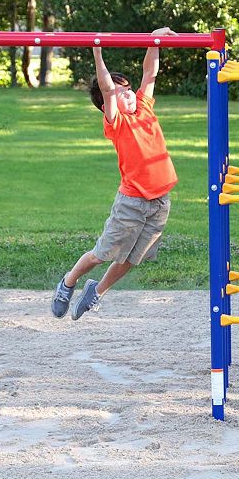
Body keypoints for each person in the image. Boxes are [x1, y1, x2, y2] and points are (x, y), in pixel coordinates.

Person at [51, 27, 179, 320]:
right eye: (121, 93)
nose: (129, 95)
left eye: (128, 89)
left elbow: (150, 74)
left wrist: (153, 40)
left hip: (161, 202)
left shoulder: (144, 108)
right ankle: (68, 282)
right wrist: (97, 50)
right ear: (107, 105)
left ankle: (96, 292)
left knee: (135, 258)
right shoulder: (116, 123)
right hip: (132, 202)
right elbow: (107, 89)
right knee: (102, 254)